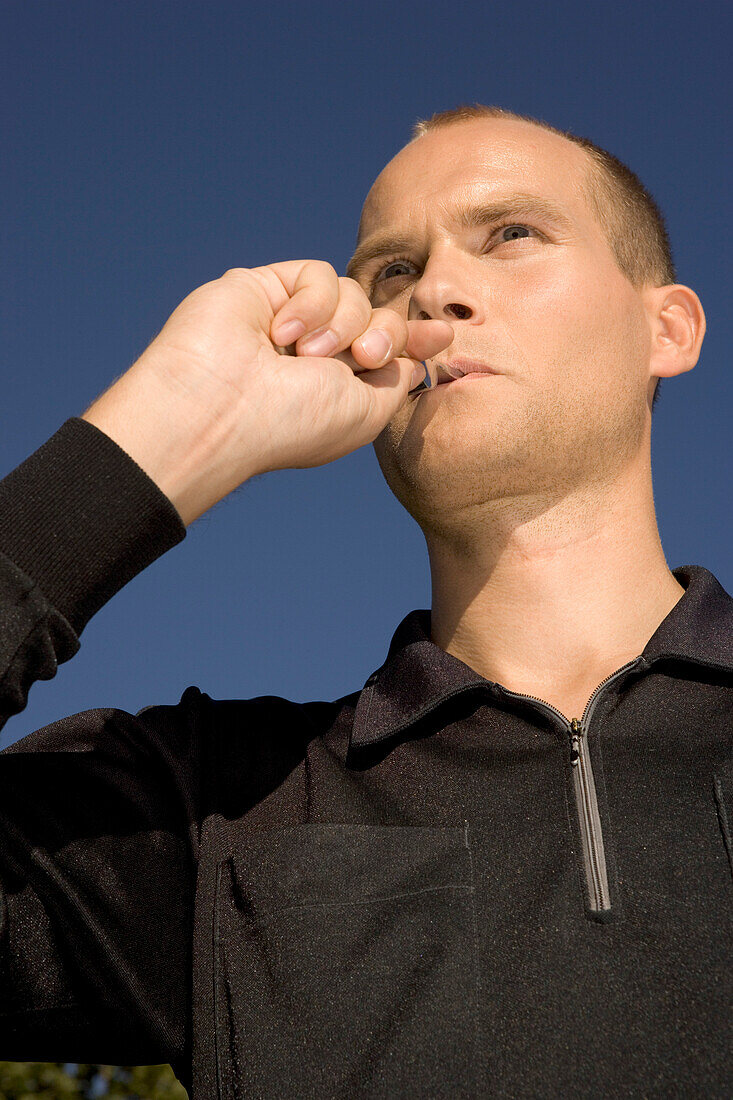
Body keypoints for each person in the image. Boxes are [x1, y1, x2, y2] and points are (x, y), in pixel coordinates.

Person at [0, 103, 729, 1100]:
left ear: (668, 327)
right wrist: (171, 424)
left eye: (511, 234)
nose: (433, 286)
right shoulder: (214, 807)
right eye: (391, 270)